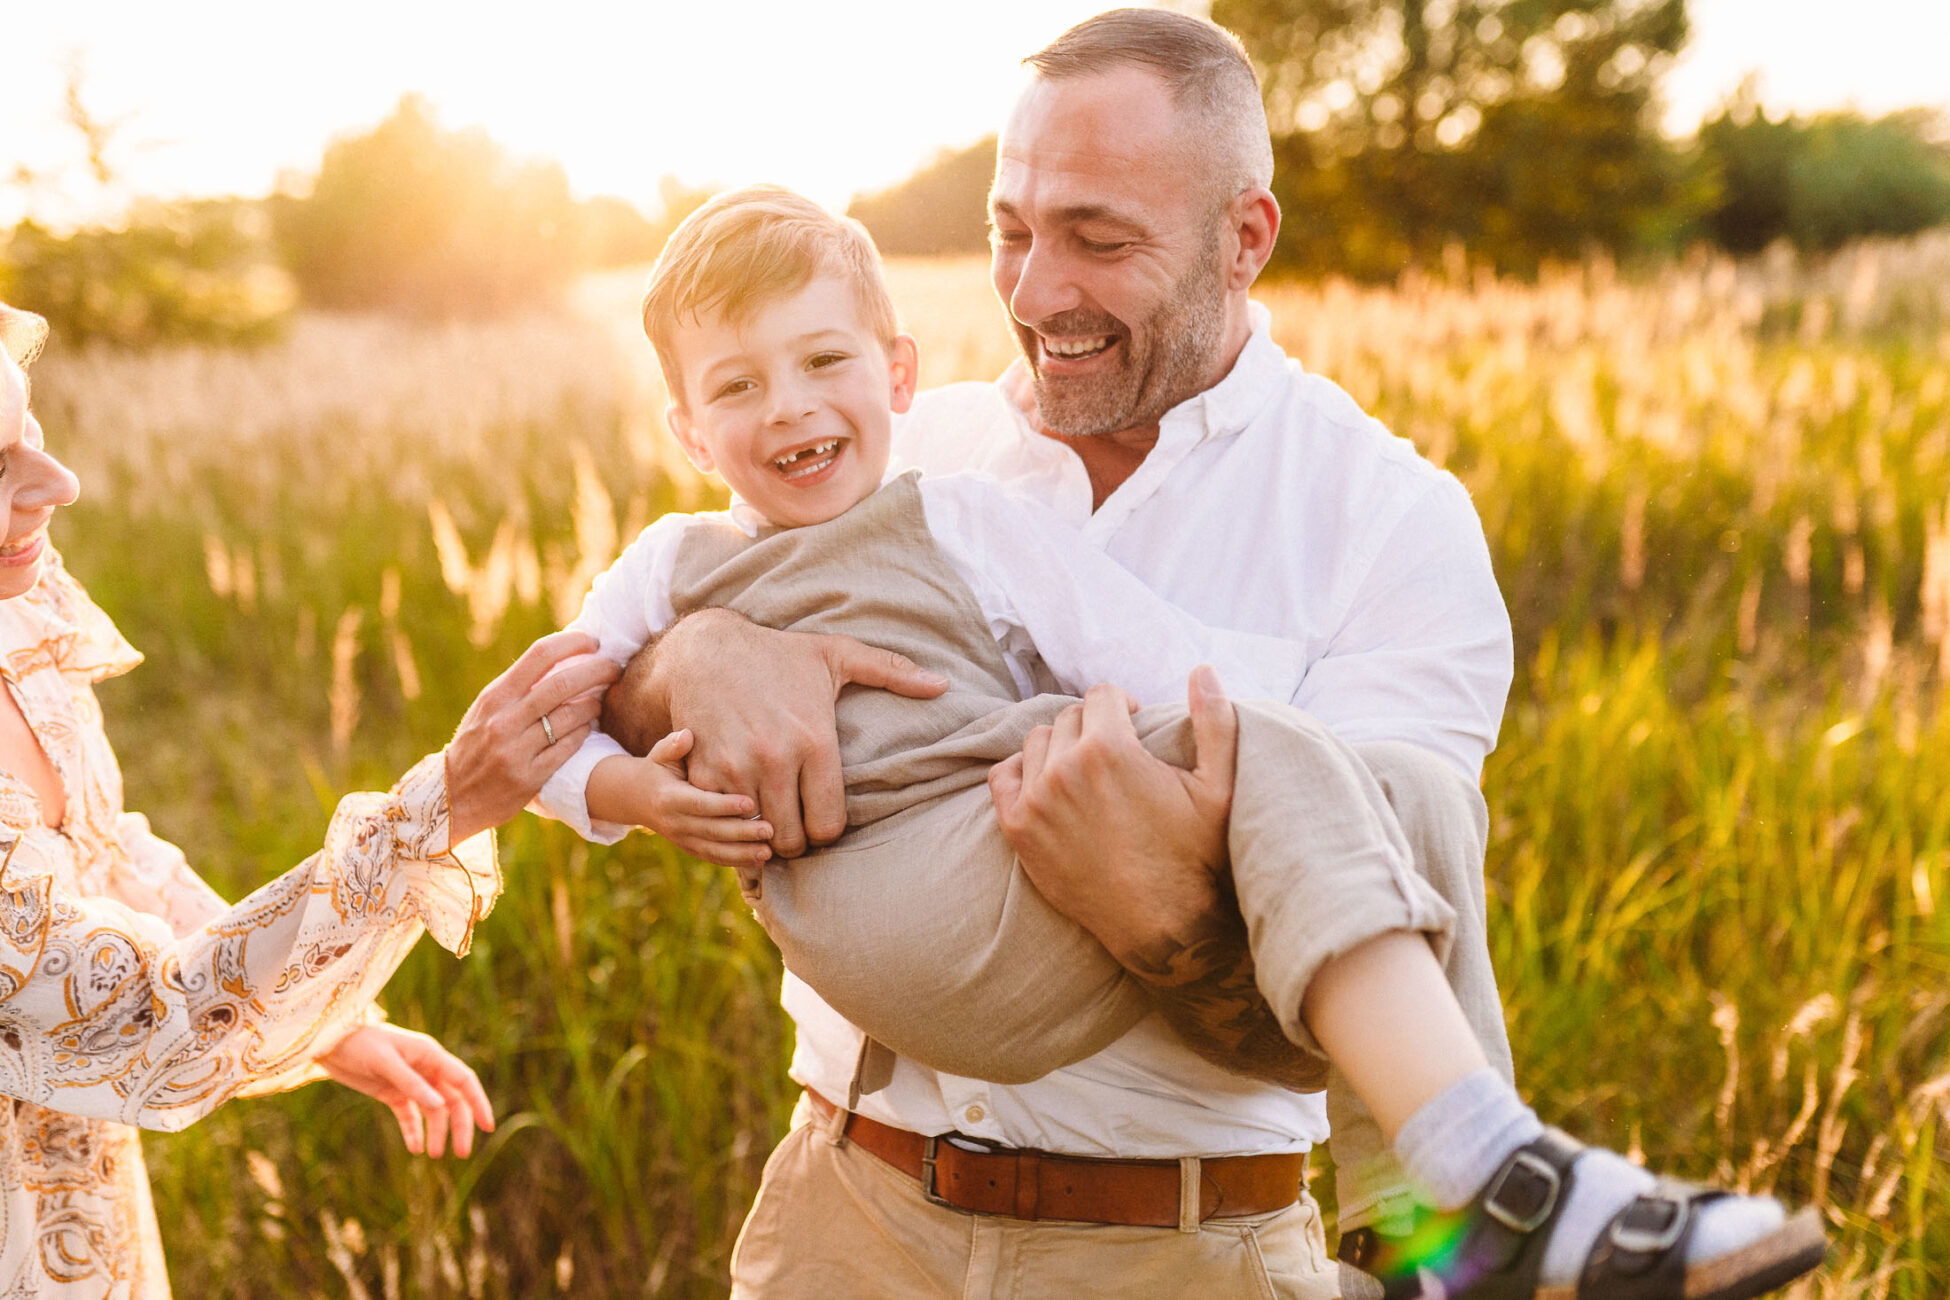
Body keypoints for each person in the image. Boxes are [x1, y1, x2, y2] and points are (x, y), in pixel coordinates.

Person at [543, 183, 1825, 1300]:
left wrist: (1261, 792)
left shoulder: (1338, 516)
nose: (787, 409)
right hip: (882, 985)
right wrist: (645, 762)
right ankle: (1490, 1171)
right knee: (1314, 769)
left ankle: (1439, 1235)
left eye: (1096, 233)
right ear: (686, 432)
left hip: (1144, 1184)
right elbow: (532, 734)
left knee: (1412, 798)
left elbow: (1166, 666)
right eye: (736, 386)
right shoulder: (678, 558)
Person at [0, 302, 617, 1297]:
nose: (57, 482)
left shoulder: (16, 616)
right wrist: (436, 811)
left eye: (28, 433)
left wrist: (331, 1021)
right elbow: (140, 1017)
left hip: (84, 1217)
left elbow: (103, 857)